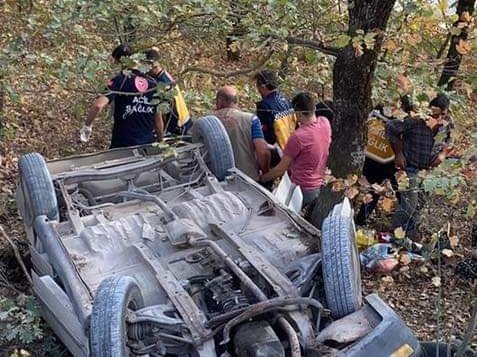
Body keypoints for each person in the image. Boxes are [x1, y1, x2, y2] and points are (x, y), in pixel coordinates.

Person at [385, 94, 452, 238]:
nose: (438, 118)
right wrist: (398, 153)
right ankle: (392, 235)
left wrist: (442, 154)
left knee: (420, 205)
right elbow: (391, 127)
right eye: (435, 114)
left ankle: (407, 238)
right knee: (409, 205)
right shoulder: (416, 120)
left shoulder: (447, 122)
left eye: (442, 114)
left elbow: (449, 140)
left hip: (430, 172)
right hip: (411, 167)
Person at [81, 45, 163, 148]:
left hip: (122, 146)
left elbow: (98, 105)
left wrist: (87, 126)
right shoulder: (153, 84)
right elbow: (158, 118)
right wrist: (161, 142)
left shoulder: (119, 81)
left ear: (119, 61)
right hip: (147, 146)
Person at [259, 92, 332, 207]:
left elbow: (280, 169)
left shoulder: (298, 137)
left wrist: (262, 179)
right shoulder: (325, 123)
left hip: (300, 189)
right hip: (318, 185)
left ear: (298, 113)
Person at [212, 85, 270, 181]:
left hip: (216, 180)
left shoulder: (205, 120)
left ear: (219, 101)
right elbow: (263, 152)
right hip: (246, 179)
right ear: (236, 101)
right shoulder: (250, 119)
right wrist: (265, 173)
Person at [144, 48, 192, 136]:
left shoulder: (162, 84)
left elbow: (163, 114)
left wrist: (161, 135)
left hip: (178, 128)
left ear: (152, 65)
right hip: (184, 124)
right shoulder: (164, 75)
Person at [254, 69, 294, 151]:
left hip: (276, 151)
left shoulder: (264, 106)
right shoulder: (286, 100)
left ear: (263, 87)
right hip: (291, 148)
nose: (258, 90)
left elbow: (263, 135)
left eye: (257, 86)